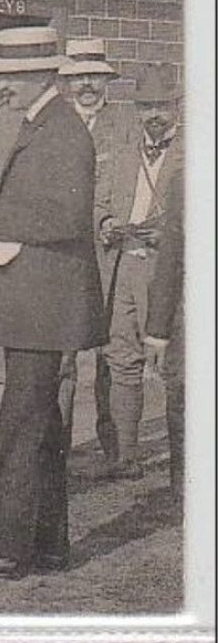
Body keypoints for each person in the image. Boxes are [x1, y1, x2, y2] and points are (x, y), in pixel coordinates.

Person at [0, 26, 106, 578]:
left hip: (44, 306)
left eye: (8, 79)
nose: (2, 89)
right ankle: (49, 545)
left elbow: (67, 219)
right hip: (40, 302)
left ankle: (4, 548)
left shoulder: (63, 131)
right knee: (43, 427)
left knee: (21, 425)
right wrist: (0, 209)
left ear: (39, 75)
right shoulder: (46, 124)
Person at [87, 63, 182, 480]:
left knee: (176, 367)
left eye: (161, 105)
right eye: (146, 107)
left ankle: (187, 472)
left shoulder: (194, 154)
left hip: (168, 274)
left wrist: (169, 235)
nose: (154, 115)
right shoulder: (123, 151)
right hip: (122, 265)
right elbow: (99, 203)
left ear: (176, 107)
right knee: (120, 357)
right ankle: (124, 458)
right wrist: (106, 224)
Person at [54, 38, 126, 448]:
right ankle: (58, 448)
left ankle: (113, 444)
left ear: (106, 82)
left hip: (107, 255)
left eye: (94, 77)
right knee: (64, 355)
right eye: (78, 76)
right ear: (66, 81)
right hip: (65, 257)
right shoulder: (56, 126)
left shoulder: (123, 129)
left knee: (110, 355)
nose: (86, 85)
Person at [143, 163, 183, 497]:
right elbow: (170, 258)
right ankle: (184, 489)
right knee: (182, 397)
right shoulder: (186, 178)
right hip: (193, 312)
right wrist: (157, 330)